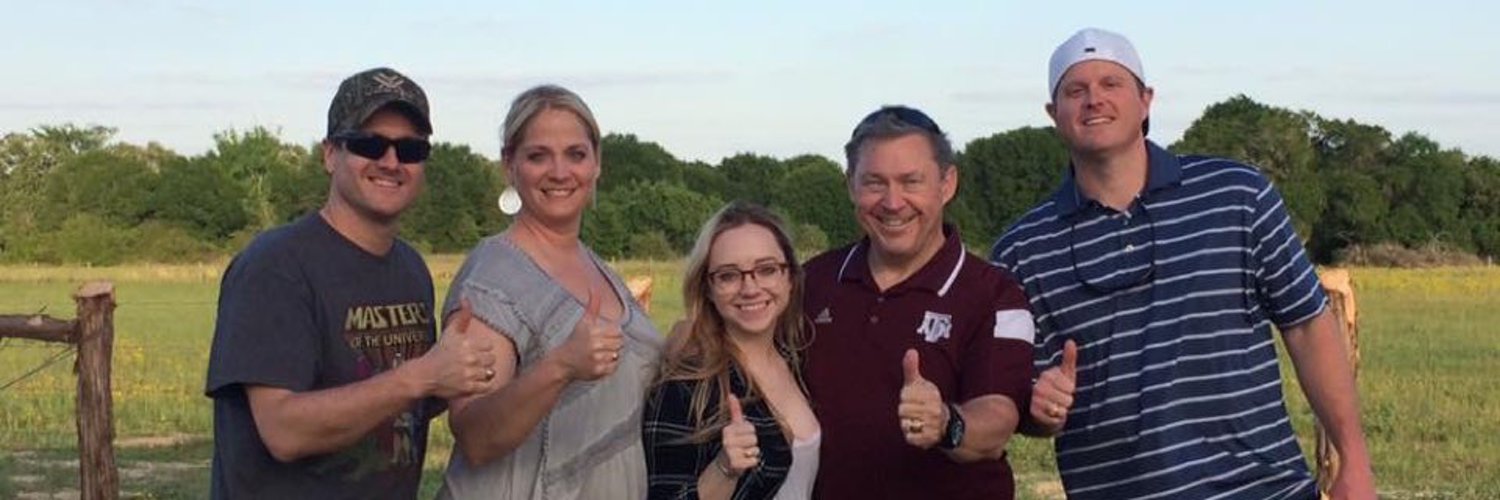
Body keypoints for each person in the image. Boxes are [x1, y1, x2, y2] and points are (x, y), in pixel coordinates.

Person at [990, 28, 1377, 499]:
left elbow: (1308, 327)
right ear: (1054, 114)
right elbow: (1018, 399)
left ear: (1146, 100)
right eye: (1075, 90)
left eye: (1111, 83)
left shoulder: (1236, 194)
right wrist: (1039, 409)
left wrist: (1354, 462)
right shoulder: (1022, 250)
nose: (1094, 99)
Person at [205, 67, 499, 499]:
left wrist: (472, 369)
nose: (391, 162)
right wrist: (422, 376)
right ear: (330, 155)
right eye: (369, 144)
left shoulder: (410, 269)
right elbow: (283, 429)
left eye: (410, 149)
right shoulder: (276, 266)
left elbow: (403, 405)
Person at [437, 84, 665, 499]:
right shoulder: (492, 279)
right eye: (538, 156)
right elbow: (476, 437)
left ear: (597, 163)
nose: (560, 172)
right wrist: (560, 367)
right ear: (509, 165)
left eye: (576, 154)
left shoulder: (596, 266)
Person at [801, 106, 1035, 499]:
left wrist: (946, 423)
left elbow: (998, 414)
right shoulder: (811, 281)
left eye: (911, 181)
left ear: (947, 183)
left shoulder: (996, 293)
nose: (893, 203)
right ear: (850, 186)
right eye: (875, 183)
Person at [643, 201, 822, 500]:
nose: (750, 288)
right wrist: (724, 468)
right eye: (728, 275)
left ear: (789, 277)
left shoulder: (799, 360)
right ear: (708, 288)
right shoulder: (686, 385)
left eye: (766, 270)